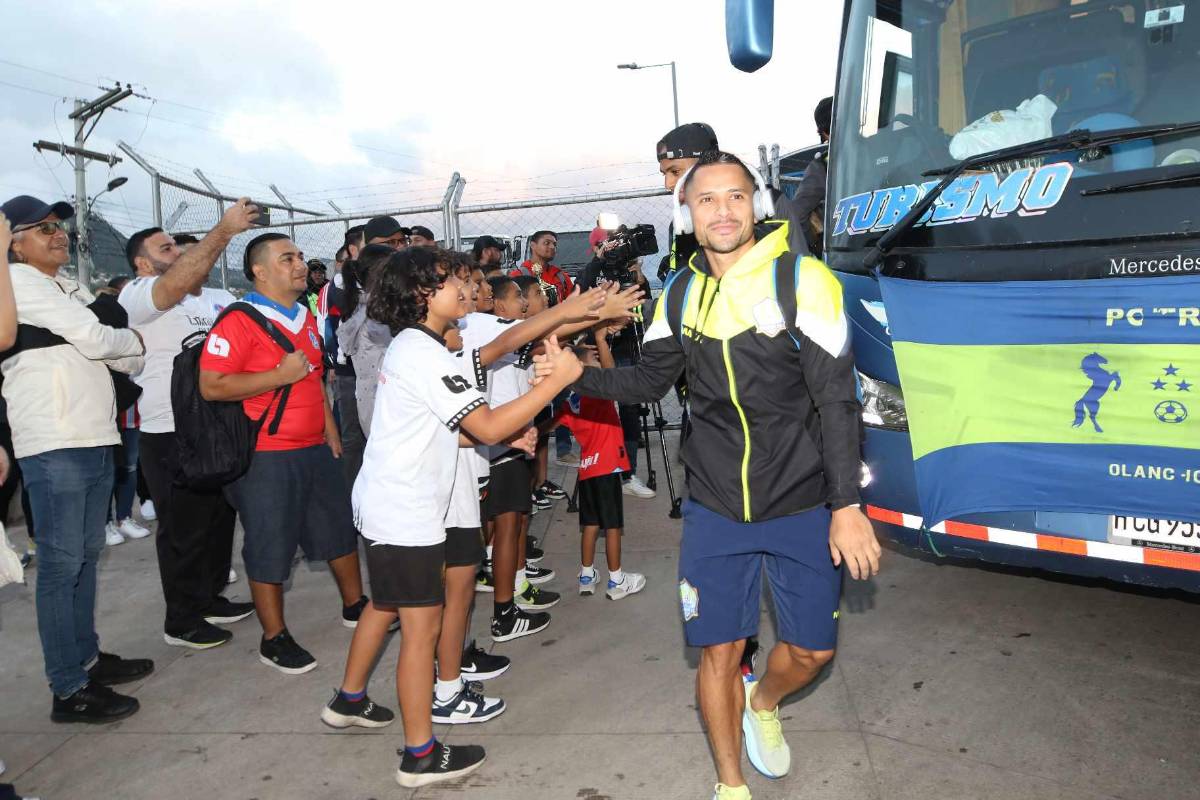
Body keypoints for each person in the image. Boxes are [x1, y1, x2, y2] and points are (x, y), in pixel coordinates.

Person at [534, 152, 881, 800]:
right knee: (718, 653)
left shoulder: (804, 281)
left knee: (812, 654)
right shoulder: (681, 292)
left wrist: (846, 504)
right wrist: (578, 376)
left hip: (802, 501)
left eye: (735, 197)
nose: (722, 211)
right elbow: (648, 380)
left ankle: (766, 703)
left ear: (756, 205)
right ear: (687, 216)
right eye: (707, 200)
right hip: (714, 506)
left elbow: (837, 400)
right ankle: (729, 787)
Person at [335, 248, 583, 788]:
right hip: (404, 511)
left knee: (403, 613)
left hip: (409, 506)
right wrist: (554, 382)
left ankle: (355, 699)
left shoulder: (425, 348)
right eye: (452, 282)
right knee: (420, 632)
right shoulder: (420, 352)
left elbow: (467, 423)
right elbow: (487, 426)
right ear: (425, 294)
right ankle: (419, 755)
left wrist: (508, 429)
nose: (467, 289)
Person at [1, 194, 152, 723]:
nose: (57, 232)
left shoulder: (68, 285)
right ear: (12, 244)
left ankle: (85, 659)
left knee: (87, 554)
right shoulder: (18, 283)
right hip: (55, 438)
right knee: (62, 564)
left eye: (58, 224)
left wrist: (121, 343)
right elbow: (96, 337)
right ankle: (68, 688)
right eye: (41, 228)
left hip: (91, 433)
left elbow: (127, 354)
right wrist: (117, 341)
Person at [199, 232, 365, 674]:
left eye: (299, 256)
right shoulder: (239, 319)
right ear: (259, 271)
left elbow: (313, 377)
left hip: (315, 447)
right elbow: (212, 385)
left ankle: (355, 606)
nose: (298, 264)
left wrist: (329, 429)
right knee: (270, 545)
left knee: (337, 531)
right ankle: (274, 638)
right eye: (286, 258)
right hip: (267, 455)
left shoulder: (303, 314)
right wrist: (277, 375)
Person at [120, 205, 260, 649]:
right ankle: (180, 620)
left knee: (220, 519)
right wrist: (224, 231)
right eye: (166, 249)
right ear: (143, 263)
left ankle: (210, 596)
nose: (179, 253)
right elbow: (174, 283)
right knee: (183, 527)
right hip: (170, 430)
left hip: (220, 425)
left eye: (180, 247)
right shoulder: (139, 294)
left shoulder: (216, 299)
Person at [554, 327, 646, 600]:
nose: (599, 364)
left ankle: (586, 575)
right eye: (593, 362)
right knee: (613, 526)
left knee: (590, 524)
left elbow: (556, 421)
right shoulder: (596, 391)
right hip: (608, 467)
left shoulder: (571, 399)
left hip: (587, 469)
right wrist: (602, 340)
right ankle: (617, 580)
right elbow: (611, 373)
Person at [577, 230, 657, 499]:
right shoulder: (591, 269)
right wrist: (597, 263)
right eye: (605, 244)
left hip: (627, 347)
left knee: (630, 408)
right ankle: (599, 467)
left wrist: (638, 276)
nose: (611, 248)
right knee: (599, 409)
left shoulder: (629, 268)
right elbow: (581, 299)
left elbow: (640, 302)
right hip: (596, 345)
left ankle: (628, 473)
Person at [790, 97, 833, 257]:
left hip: (846, 256)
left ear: (825, 133)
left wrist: (817, 245)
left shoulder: (824, 166)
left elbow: (797, 214)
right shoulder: (882, 148)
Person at [509, 231, 573, 305]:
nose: (552, 247)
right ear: (533, 245)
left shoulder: (561, 276)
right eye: (546, 243)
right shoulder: (517, 276)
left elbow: (573, 303)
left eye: (554, 244)